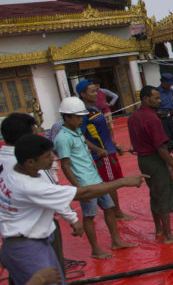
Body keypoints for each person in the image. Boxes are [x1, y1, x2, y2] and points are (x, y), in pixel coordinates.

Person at [0, 134, 146, 285]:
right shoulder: (29, 185)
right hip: (26, 247)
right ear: (30, 162)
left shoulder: (13, 171)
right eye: (47, 157)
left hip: (33, 240)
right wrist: (123, 182)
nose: (52, 160)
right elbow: (82, 194)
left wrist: (70, 218)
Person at [1, 113, 63, 285]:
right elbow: (53, 194)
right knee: (49, 278)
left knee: (19, 277)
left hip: (12, 229)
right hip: (35, 227)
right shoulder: (22, 165)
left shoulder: (4, 158)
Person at [53, 97, 136, 259]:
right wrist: (79, 189)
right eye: (77, 117)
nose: (80, 120)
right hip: (85, 184)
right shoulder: (62, 138)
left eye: (81, 116)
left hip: (96, 179)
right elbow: (65, 165)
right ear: (66, 117)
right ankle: (96, 250)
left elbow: (84, 140)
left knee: (109, 208)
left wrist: (97, 149)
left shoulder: (76, 131)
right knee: (89, 216)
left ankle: (116, 241)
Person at [130, 86, 173, 244]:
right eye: (156, 98)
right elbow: (160, 146)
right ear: (146, 99)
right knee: (162, 195)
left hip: (142, 160)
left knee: (154, 193)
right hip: (153, 158)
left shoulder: (133, 116)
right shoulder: (152, 119)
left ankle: (159, 229)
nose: (159, 101)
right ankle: (167, 235)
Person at [77, 79, 135, 221]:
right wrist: (98, 150)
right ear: (83, 94)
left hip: (109, 150)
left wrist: (115, 144)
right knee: (110, 183)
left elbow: (102, 132)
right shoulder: (84, 114)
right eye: (92, 91)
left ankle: (115, 210)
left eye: (96, 91)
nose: (96, 94)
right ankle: (116, 212)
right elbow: (82, 136)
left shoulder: (96, 109)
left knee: (114, 181)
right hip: (103, 153)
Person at [156, 74, 173, 164]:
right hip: (161, 119)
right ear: (162, 82)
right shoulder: (157, 92)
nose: (169, 86)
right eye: (167, 84)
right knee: (165, 139)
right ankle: (168, 161)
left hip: (172, 118)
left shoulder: (172, 92)